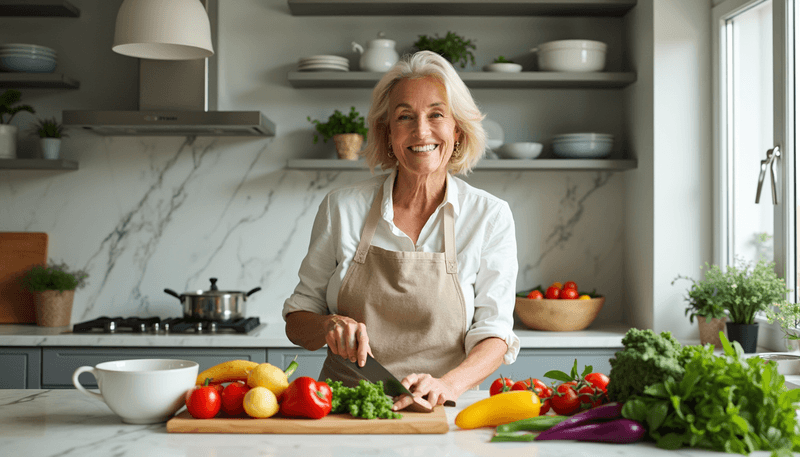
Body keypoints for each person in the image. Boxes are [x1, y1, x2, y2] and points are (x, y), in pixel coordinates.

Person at [282, 50, 519, 411]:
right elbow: (297, 321)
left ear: (457, 128)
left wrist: (446, 384)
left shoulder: (489, 215)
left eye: (436, 114)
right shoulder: (342, 208)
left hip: (442, 410)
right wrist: (328, 325)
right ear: (387, 132)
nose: (421, 131)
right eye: (405, 116)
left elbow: (495, 333)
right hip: (344, 410)